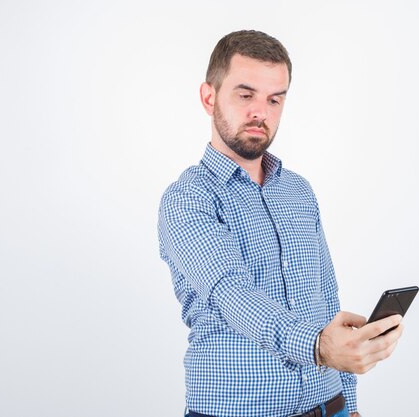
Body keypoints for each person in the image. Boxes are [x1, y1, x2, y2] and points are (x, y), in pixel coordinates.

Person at [158, 30, 404, 417]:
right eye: (246, 95)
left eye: (275, 99)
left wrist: (351, 403)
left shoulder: (298, 191)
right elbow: (233, 295)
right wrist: (320, 346)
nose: (262, 112)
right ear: (209, 97)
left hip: (330, 407)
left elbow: (327, 300)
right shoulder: (188, 198)